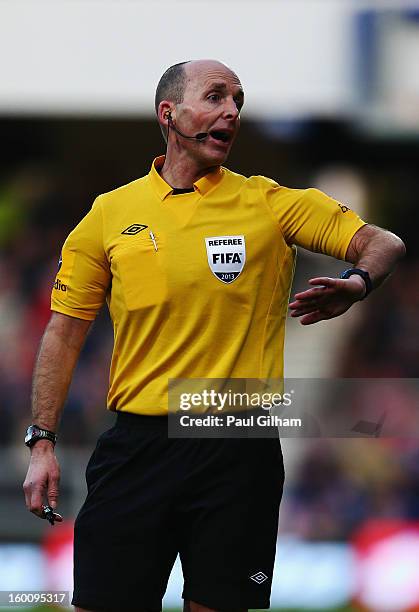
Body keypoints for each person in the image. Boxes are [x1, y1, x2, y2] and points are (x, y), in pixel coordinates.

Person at [23, 59, 405, 612]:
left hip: (236, 445)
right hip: (138, 445)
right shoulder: (110, 215)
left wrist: (358, 282)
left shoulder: (270, 204)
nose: (231, 111)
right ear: (169, 113)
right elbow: (63, 333)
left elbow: (383, 242)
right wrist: (43, 442)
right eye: (216, 96)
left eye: (238, 102)